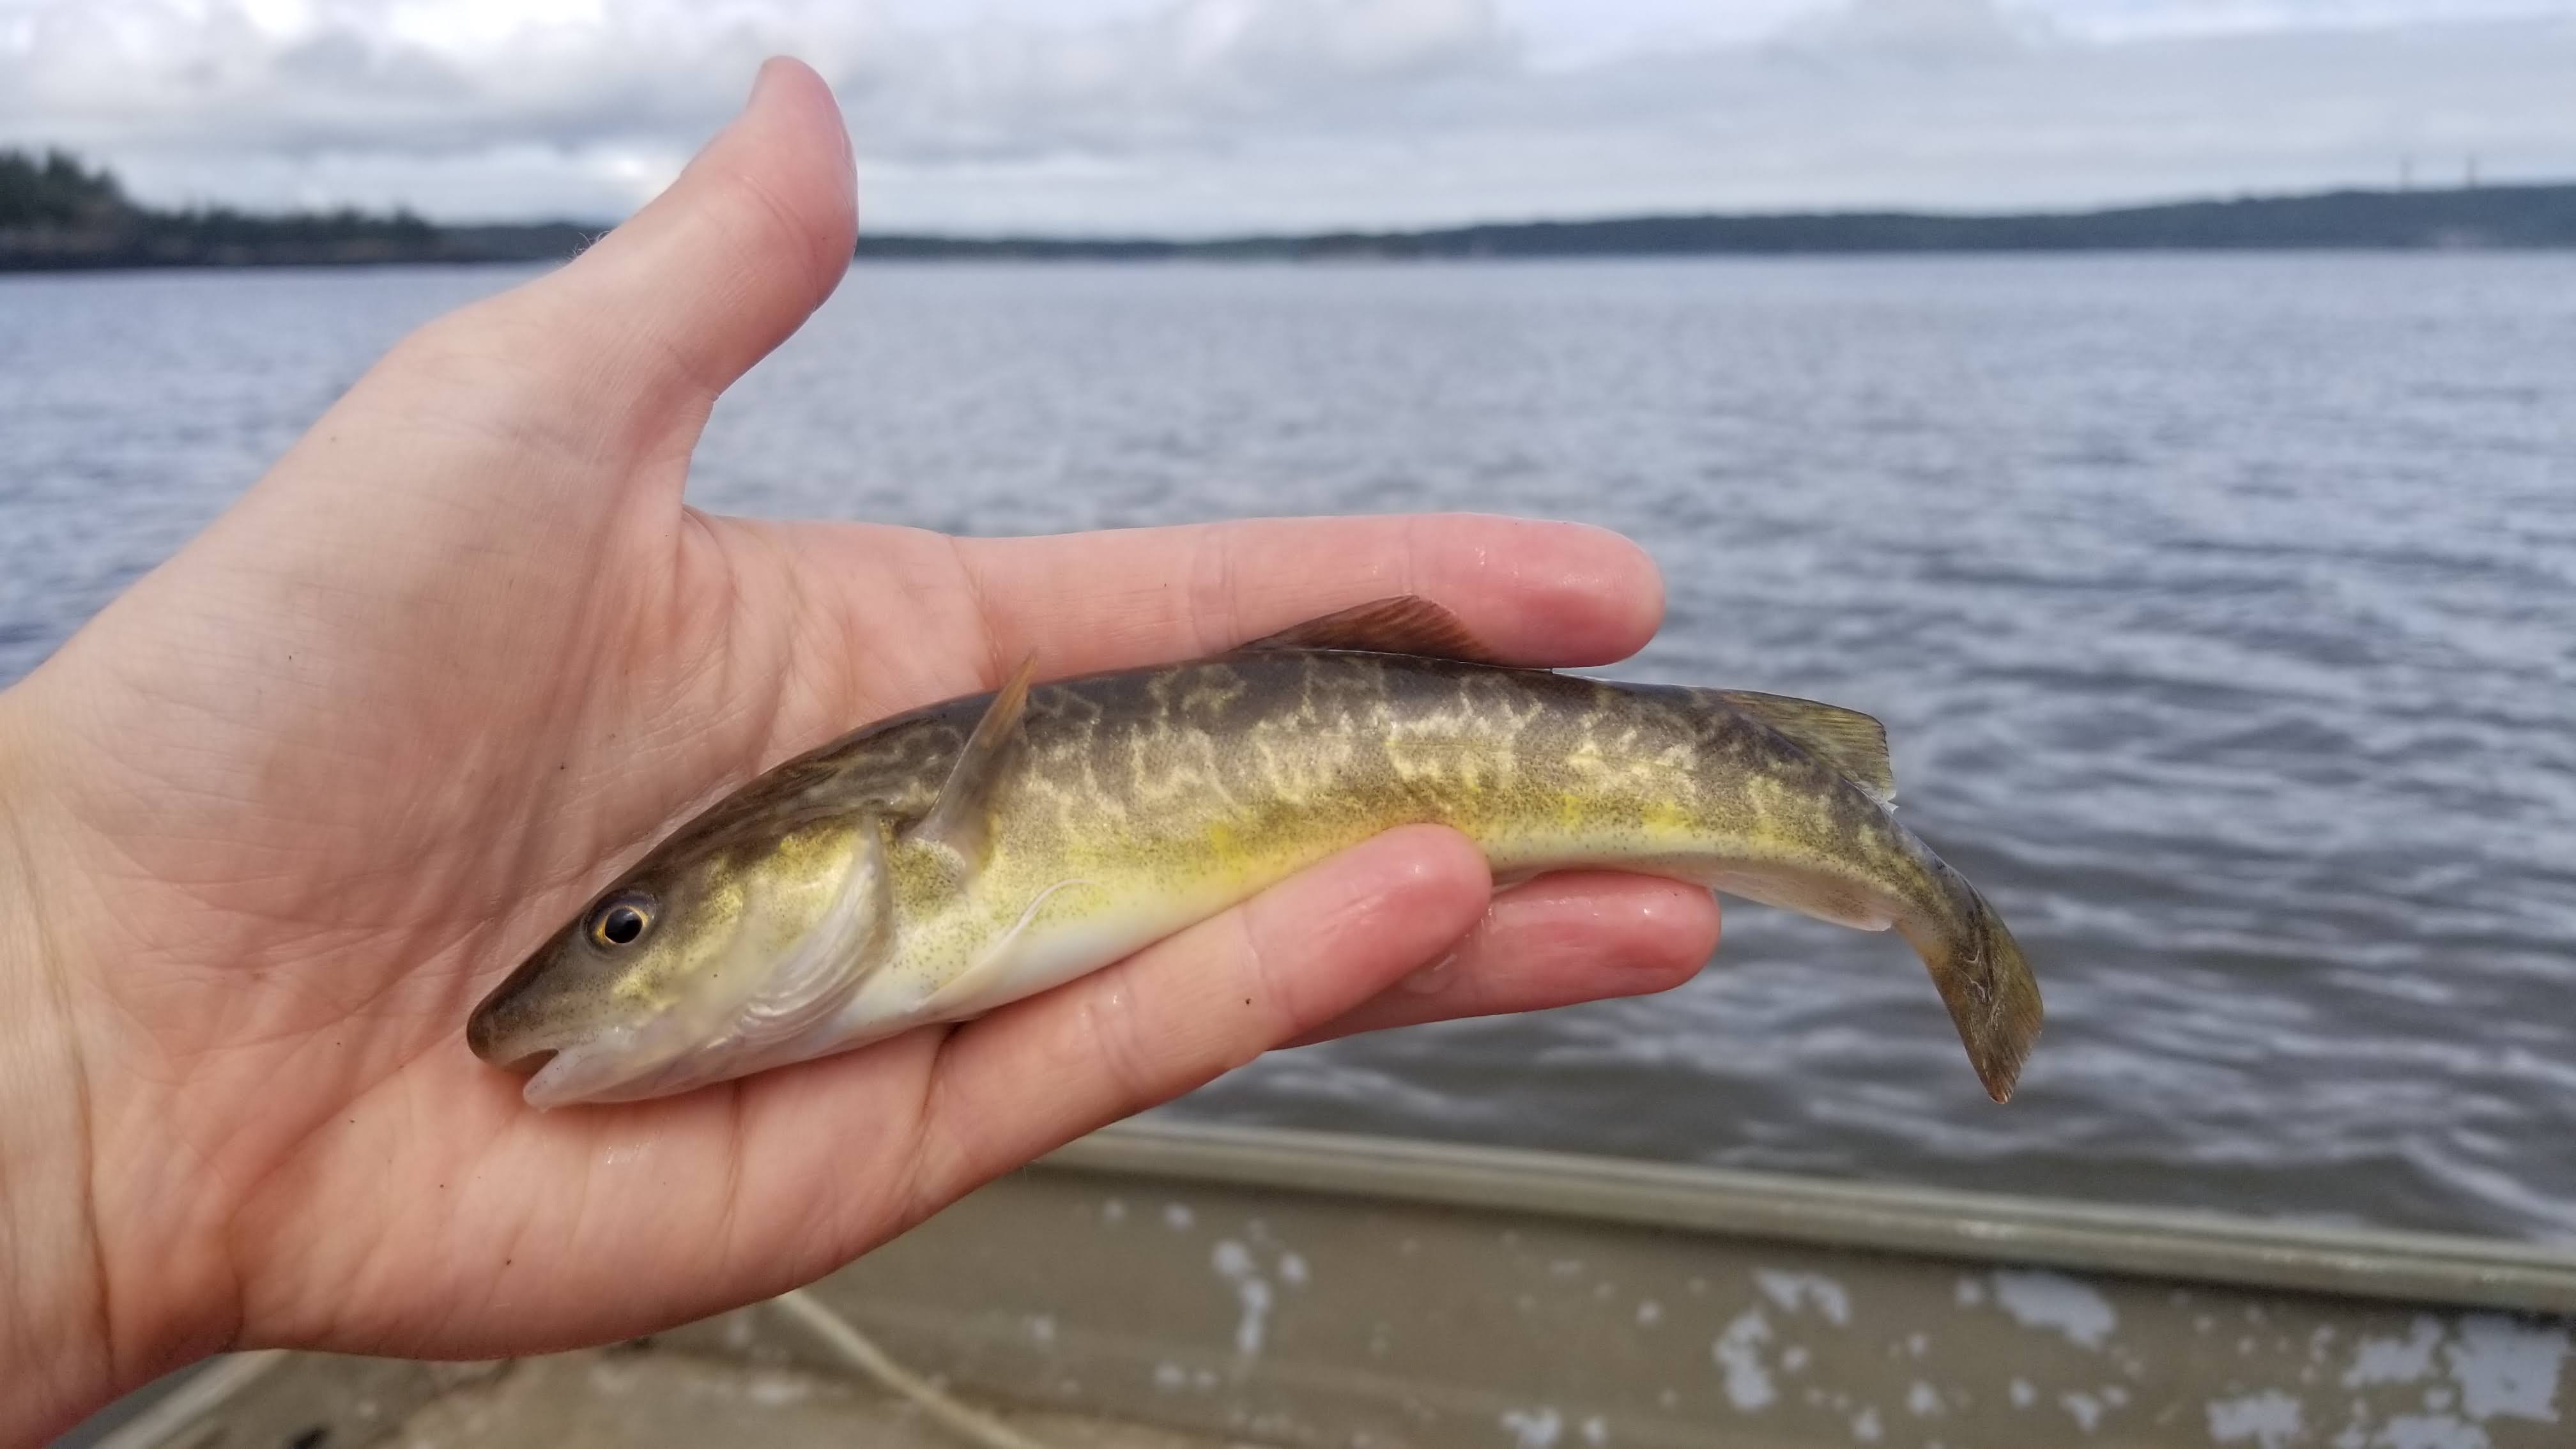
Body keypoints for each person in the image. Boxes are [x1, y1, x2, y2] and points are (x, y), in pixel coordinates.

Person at [0, 59, 1721, 1445]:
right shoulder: (848, 882)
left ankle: (1836, 836)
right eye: (629, 925)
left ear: (864, 849)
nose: (614, 953)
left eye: (627, 929)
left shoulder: (912, 842)